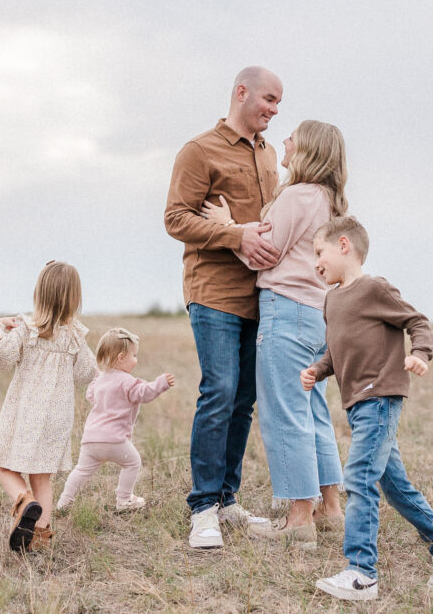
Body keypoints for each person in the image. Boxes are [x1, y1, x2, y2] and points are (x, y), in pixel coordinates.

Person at [300, 217, 433, 601]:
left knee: (359, 478)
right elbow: (338, 349)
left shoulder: (373, 288)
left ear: (344, 245)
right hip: (358, 404)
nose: (316, 263)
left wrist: (421, 353)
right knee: (394, 487)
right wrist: (317, 369)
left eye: (319, 253)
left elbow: (417, 321)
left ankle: (362, 573)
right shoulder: (332, 299)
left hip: (381, 397)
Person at [200, 120, 347, 548]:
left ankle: (298, 520)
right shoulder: (329, 200)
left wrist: (231, 229)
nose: (284, 140)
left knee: (286, 414)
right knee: (314, 411)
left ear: (308, 150)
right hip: (318, 316)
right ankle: (330, 509)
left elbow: (264, 253)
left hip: (286, 313)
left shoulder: (297, 195)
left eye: (293, 136)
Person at [164, 66, 283, 549]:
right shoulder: (198, 150)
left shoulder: (271, 155)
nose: (274, 110)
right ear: (241, 93)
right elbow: (175, 218)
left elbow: (272, 221)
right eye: (269, 99)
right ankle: (203, 508)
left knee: (243, 401)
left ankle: (229, 501)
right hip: (213, 291)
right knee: (219, 391)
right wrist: (235, 234)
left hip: (263, 294)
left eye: (279, 103)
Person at [0, 260, 97, 552]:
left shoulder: (25, 329)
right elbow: (87, 374)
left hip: (25, 413)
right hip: (58, 417)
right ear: (74, 298)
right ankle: (40, 539)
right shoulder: (74, 337)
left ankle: (24, 503)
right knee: (42, 478)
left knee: (6, 469)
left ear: (39, 293)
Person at [56, 328, 175, 512]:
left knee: (81, 470)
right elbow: (144, 394)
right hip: (114, 440)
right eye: (134, 355)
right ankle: (124, 499)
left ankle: (64, 502)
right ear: (121, 357)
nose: (136, 360)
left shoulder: (100, 380)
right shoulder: (126, 381)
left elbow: (91, 395)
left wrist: (98, 377)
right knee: (133, 462)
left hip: (90, 440)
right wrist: (160, 383)